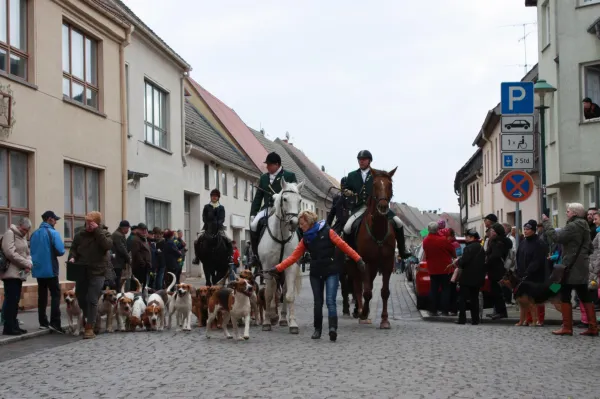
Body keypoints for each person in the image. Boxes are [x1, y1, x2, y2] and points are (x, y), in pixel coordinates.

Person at [267, 211, 365, 341]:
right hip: (316, 272)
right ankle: (317, 329)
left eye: (302, 224)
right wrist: (277, 268)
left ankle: (332, 329)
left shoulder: (328, 231)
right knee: (318, 302)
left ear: (309, 222)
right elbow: (293, 257)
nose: (300, 227)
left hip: (331, 270)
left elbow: (344, 246)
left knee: (331, 301)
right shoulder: (305, 238)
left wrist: (358, 259)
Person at [542, 203, 597, 336]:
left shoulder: (573, 226)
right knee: (585, 295)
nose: (566, 213)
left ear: (574, 213)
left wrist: (547, 223)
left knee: (564, 294)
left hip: (570, 267)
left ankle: (567, 327)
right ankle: (593, 327)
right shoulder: (585, 225)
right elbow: (590, 247)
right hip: (581, 266)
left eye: (568, 211)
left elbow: (556, 238)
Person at [342, 150, 408, 257]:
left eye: (364, 159)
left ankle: (402, 250)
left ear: (369, 161)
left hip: (377, 207)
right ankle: (348, 253)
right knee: (347, 228)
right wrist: (347, 192)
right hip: (359, 208)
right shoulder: (352, 175)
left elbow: (387, 190)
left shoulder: (378, 174)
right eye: (360, 159)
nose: (361, 161)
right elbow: (345, 190)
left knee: (399, 222)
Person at [68, 211, 113, 339]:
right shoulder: (79, 235)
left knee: (92, 299)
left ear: (97, 223)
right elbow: (73, 249)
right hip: (81, 270)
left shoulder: (104, 234)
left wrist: (97, 231)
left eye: (91, 223)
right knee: (81, 297)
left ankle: (89, 327)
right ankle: (92, 318)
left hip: (98, 271)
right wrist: (72, 257)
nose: (88, 225)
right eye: (87, 222)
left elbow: (107, 245)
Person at [249, 152, 297, 265]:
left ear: (277, 164)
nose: (267, 167)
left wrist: (279, 196)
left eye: (269, 164)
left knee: (297, 224)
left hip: (286, 208)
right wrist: (253, 213)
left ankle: (301, 252)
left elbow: (294, 193)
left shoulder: (289, 176)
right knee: (254, 225)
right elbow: (258, 197)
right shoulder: (264, 178)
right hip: (268, 208)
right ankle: (256, 255)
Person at [30, 211, 65, 333]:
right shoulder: (53, 233)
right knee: (55, 295)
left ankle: (43, 322)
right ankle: (55, 323)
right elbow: (61, 251)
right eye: (55, 219)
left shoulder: (34, 234)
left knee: (42, 296)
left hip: (38, 269)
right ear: (49, 219)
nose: (55, 222)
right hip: (51, 269)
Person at [1, 218, 32, 336]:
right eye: (24, 230)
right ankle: (8, 327)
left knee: (15, 301)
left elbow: (27, 253)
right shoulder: (10, 233)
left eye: (27, 231)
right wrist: (25, 263)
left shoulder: (22, 237)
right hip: (10, 273)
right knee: (11, 300)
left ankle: (14, 325)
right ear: (19, 226)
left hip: (19, 273)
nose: (25, 232)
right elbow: (9, 253)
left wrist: (29, 262)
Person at [515, 220, 549, 326]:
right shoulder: (523, 242)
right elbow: (518, 257)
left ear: (534, 230)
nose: (525, 231)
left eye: (528, 229)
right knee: (526, 299)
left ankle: (540, 319)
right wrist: (519, 271)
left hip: (536, 275)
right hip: (524, 276)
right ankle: (528, 319)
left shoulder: (539, 243)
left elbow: (538, 260)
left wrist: (529, 270)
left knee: (537, 298)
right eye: (524, 229)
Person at [422, 221, 456, 316]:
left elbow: (426, 253)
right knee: (445, 289)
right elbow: (452, 250)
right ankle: (445, 310)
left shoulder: (425, 241)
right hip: (445, 269)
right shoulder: (443, 240)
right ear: (437, 229)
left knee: (433, 289)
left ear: (428, 230)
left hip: (433, 269)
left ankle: (433, 310)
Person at [452, 229, 485, 325]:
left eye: (467, 237)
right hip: (478, 277)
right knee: (474, 299)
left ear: (472, 237)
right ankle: (475, 320)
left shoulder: (468, 248)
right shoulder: (480, 247)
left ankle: (462, 319)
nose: (465, 238)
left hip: (467, 277)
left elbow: (463, 261)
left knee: (462, 299)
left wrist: (457, 262)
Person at [485, 223, 512, 320]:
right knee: (495, 292)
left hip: (497, 269)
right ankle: (498, 311)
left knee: (497, 292)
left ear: (497, 232)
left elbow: (495, 255)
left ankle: (501, 312)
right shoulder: (500, 241)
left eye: (493, 231)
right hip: (497, 269)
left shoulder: (498, 242)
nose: (491, 232)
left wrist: (486, 262)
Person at [130, 223, 151, 291]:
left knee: (143, 284)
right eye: (142, 230)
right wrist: (143, 263)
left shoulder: (143, 239)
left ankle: (141, 297)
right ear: (138, 230)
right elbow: (136, 253)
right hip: (139, 267)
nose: (144, 231)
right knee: (138, 285)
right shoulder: (136, 239)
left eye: (145, 230)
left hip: (144, 266)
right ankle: (136, 298)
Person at [111, 220, 131, 291]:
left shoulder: (118, 234)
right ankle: (117, 293)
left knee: (118, 279)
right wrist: (128, 258)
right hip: (117, 262)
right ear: (124, 228)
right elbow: (122, 248)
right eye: (127, 228)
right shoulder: (118, 235)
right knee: (117, 279)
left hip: (117, 261)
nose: (128, 230)